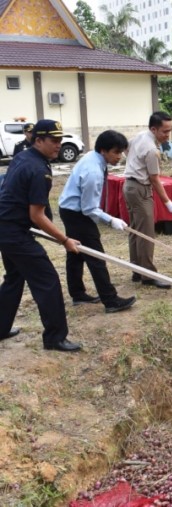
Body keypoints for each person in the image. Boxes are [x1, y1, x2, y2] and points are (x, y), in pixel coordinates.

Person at [0, 119, 81, 352]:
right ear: (38, 140)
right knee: (47, 281)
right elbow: (37, 215)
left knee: (14, 278)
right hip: (14, 232)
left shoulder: (23, 157)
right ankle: (55, 338)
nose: (58, 145)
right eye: (53, 140)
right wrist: (64, 240)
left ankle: (0, 327)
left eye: (60, 140)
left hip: (6, 227)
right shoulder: (38, 169)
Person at [58, 130, 136, 313]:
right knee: (96, 256)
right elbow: (89, 209)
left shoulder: (94, 159)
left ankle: (77, 293)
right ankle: (110, 300)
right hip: (76, 214)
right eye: (116, 152)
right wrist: (111, 220)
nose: (120, 157)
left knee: (76, 252)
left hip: (69, 210)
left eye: (121, 152)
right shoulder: (92, 171)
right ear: (103, 150)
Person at [123, 111, 172, 289]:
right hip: (140, 189)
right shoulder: (152, 150)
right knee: (146, 233)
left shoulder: (141, 136)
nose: (168, 135)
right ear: (154, 129)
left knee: (136, 230)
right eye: (165, 131)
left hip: (129, 186)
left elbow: (126, 149)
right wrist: (168, 203)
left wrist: (134, 164)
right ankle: (148, 275)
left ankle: (136, 269)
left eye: (170, 131)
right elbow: (155, 179)